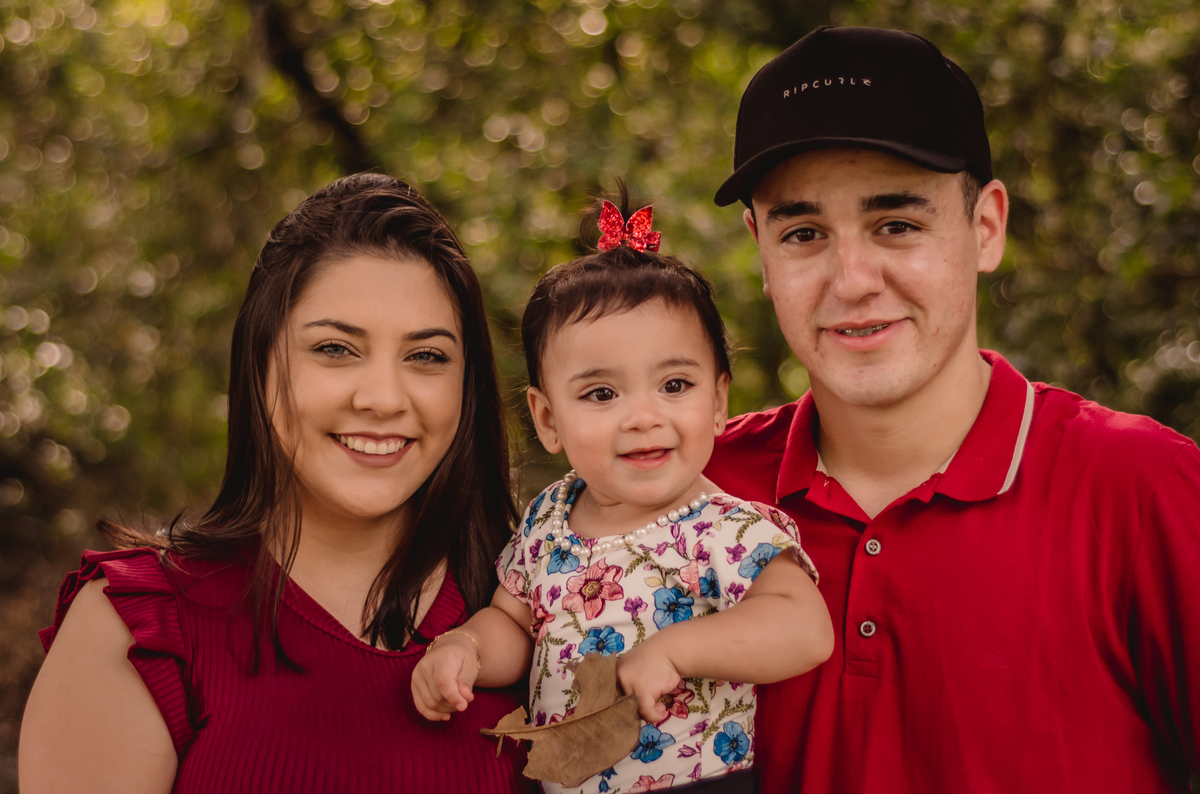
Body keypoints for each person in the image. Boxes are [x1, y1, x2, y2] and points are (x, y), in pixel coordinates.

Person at [703, 25, 1200, 793]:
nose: (853, 278)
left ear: (986, 226)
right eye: (804, 233)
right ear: (761, 251)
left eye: (896, 224)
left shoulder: (1145, 490)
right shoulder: (690, 490)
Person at [18, 173, 536, 793]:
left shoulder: (549, 606)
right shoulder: (141, 629)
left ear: (467, 387)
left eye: (425, 357)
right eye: (336, 348)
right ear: (261, 362)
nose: (381, 398)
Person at [410, 196, 834, 794]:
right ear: (547, 418)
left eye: (674, 384)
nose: (642, 416)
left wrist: (676, 650)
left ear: (717, 403)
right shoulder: (548, 520)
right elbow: (514, 622)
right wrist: (466, 648)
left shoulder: (727, 529)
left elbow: (804, 629)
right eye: (602, 394)